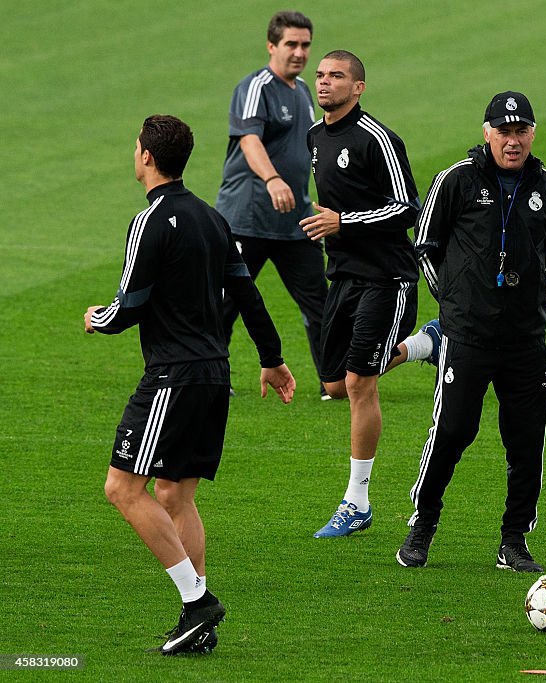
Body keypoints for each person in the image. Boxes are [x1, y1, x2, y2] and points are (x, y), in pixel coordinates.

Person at [85, 115, 296, 656]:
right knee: (176, 495)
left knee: (122, 488)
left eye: (136, 148)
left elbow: (129, 306)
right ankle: (197, 622)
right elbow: (247, 294)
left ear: (147, 158)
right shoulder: (213, 219)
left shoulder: (149, 221)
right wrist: (272, 358)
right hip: (213, 375)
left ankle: (197, 601)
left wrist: (97, 318)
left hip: (171, 379)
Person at [397, 91, 546, 571]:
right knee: (451, 431)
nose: (512, 141)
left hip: (524, 339)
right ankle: (422, 524)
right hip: (466, 336)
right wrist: (455, 304)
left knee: (527, 439)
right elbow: (426, 246)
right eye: (504, 131)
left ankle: (514, 541)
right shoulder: (456, 179)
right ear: (486, 131)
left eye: (521, 131)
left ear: (532, 133)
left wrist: (522, 295)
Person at [302, 50, 433, 538]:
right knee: (334, 385)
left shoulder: (377, 138)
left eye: (336, 76)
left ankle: (356, 501)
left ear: (358, 87)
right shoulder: (315, 138)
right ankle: (425, 346)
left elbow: (407, 208)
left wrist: (344, 220)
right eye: (320, 75)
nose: (324, 82)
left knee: (359, 383)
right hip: (345, 276)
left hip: (387, 277)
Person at [216, 10, 329, 399]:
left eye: (305, 45)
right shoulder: (256, 87)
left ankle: (333, 383)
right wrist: (272, 178)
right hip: (248, 217)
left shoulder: (303, 92)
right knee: (227, 302)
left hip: (295, 218)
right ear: (271, 46)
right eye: (291, 44)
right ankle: (212, 379)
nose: (299, 53)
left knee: (319, 299)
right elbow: (249, 140)